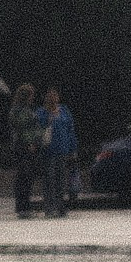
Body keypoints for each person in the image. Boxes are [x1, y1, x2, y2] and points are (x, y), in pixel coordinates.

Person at [9, 82, 48, 219]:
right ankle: (23, 207)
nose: (33, 98)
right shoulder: (21, 111)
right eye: (31, 95)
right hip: (25, 147)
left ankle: (23, 206)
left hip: (22, 146)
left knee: (24, 177)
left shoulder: (20, 109)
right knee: (25, 177)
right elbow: (23, 129)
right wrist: (30, 143)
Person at [43, 84, 79, 218]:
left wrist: (73, 149)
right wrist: (49, 118)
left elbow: (71, 130)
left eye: (55, 95)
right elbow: (40, 128)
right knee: (49, 179)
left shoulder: (64, 110)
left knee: (61, 180)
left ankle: (60, 207)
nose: (53, 98)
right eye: (50, 96)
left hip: (63, 150)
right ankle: (49, 207)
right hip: (48, 151)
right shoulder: (42, 112)